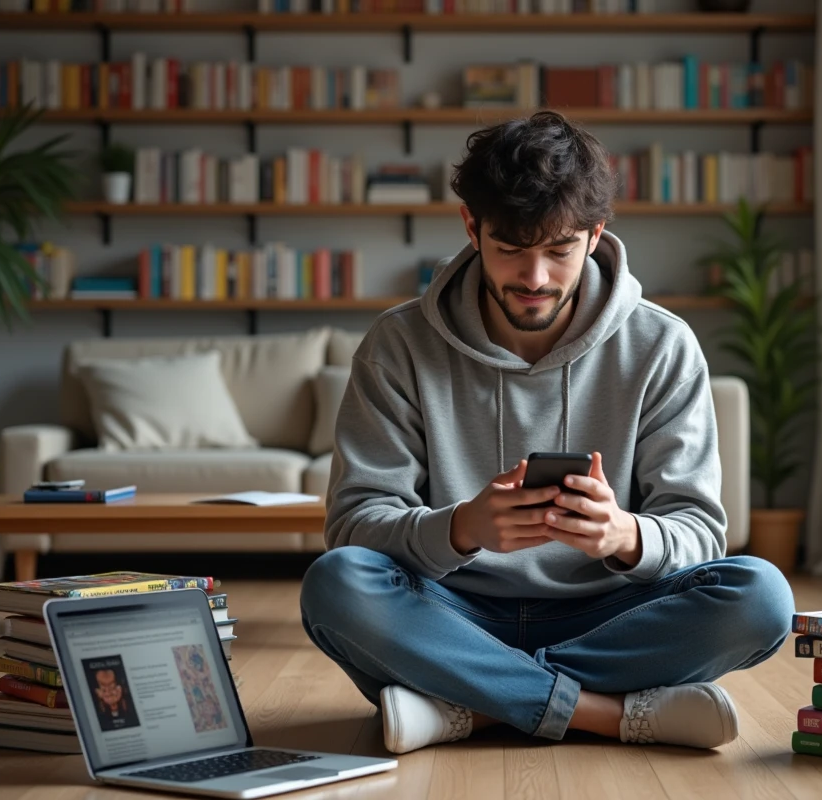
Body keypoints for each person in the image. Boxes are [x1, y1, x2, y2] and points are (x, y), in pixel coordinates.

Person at [300, 110, 794, 755]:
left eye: (558, 250)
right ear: (472, 227)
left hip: (610, 615)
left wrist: (625, 535)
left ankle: (469, 707)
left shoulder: (662, 345)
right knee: (336, 585)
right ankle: (607, 714)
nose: (534, 279)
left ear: (595, 235)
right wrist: (463, 529)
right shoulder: (398, 345)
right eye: (510, 249)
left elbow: (700, 531)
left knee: (760, 597)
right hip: (449, 615)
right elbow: (354, 524)